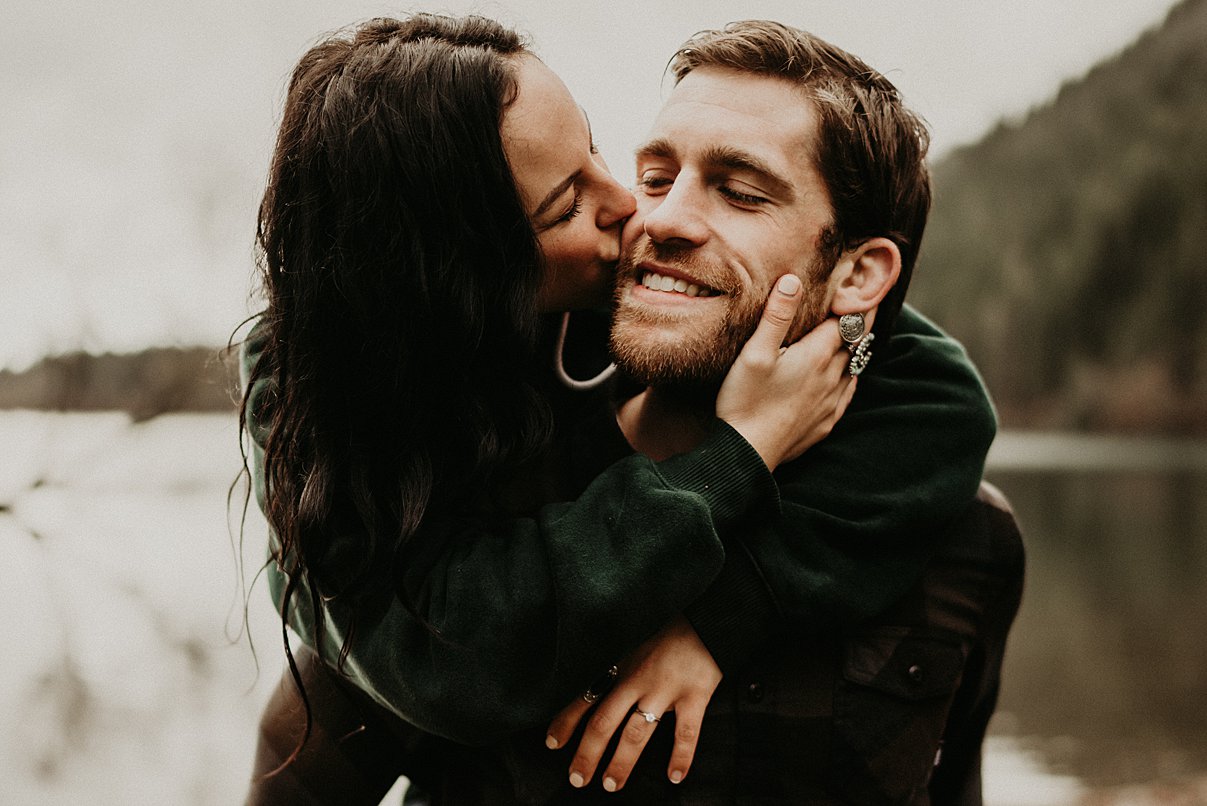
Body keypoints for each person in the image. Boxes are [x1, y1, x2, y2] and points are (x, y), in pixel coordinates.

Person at [240, 14, 1006, 805]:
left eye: (739, 192)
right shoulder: (438, 507)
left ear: (857, 277)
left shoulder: (959, 536)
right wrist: (732, 454)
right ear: (477, 275)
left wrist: (725, 609)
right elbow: (333, 745)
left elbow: (942, 392)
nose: (647, 216)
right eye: (651, 177)